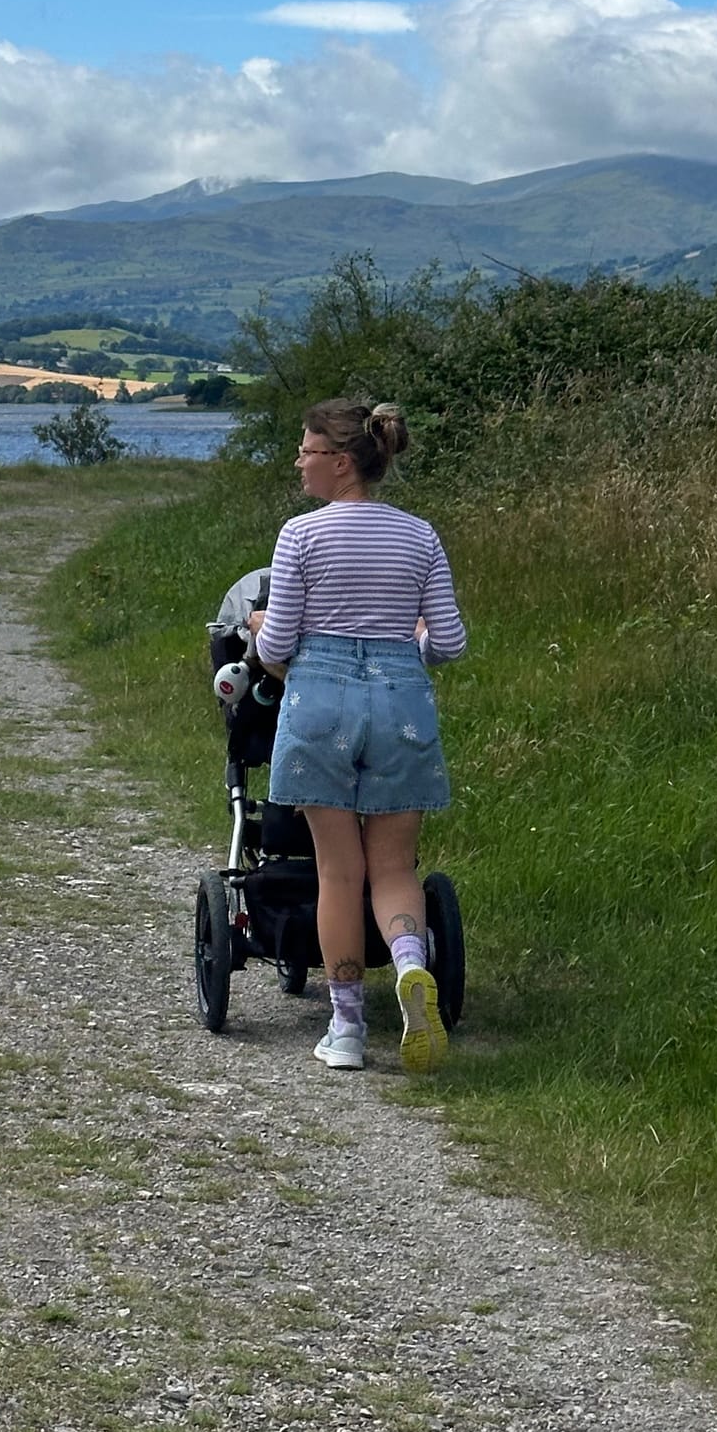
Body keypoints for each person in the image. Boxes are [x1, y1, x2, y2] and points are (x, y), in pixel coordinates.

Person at [249, 397, 465, 1074]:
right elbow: (449, 642)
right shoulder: (420, 535)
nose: (299, 461)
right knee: (394, 867)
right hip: (401, 704)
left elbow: (277, 644)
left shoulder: (300, 535)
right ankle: (409, 964)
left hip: (322, 701)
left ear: (341, 462)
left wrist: (258, 629)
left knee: (339, 872)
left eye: (307, 450)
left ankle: (345, 1027)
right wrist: (408, 645)